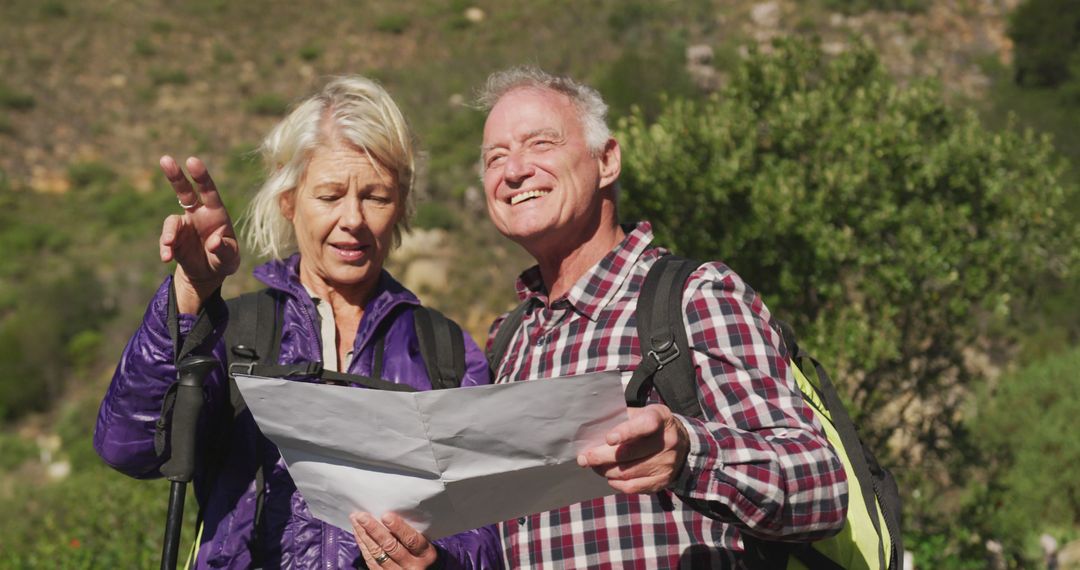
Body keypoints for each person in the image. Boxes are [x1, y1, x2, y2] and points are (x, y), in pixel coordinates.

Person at [94, 76, 503, 569]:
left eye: (375, 196)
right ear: (289, 201)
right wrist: (189, 290)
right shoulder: (239, 333)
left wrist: (437, 563)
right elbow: (130, 448)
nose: (353, 218)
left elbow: (485, 528)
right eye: (330, 196)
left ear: (401, 206)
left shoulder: (444, 351)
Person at [475, 67, 850, 567]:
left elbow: (821, 486)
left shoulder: (693, 296)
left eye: (540, 144)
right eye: (495, 158)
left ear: (607, 161)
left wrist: (689, 453)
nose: (513, 170)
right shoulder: (507, 341)